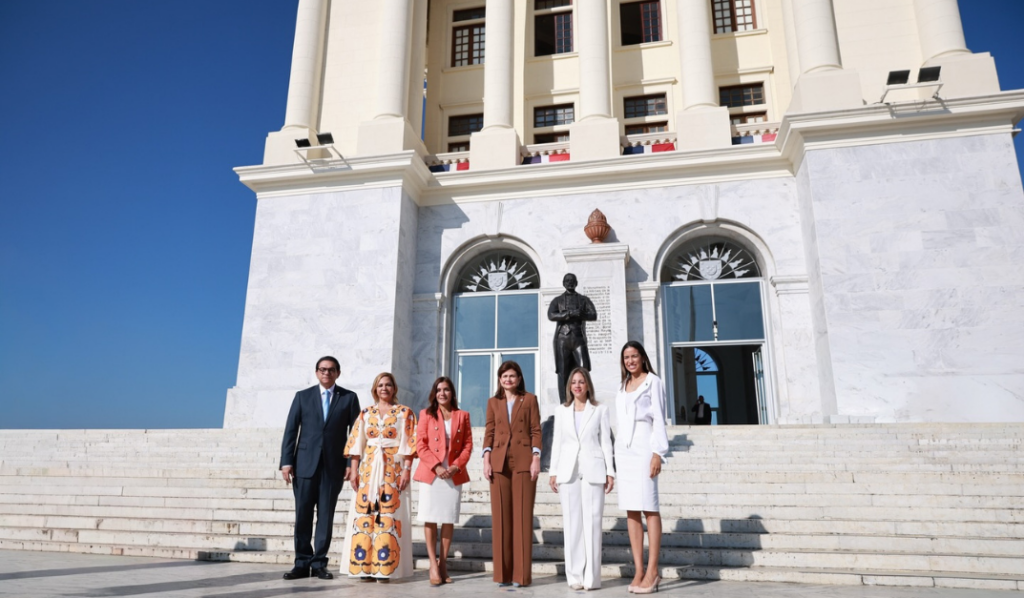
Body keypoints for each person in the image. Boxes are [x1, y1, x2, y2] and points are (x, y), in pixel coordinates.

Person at [279, 356, 362, 580]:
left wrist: (350, 464)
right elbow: (290, 430)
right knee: (303, 515)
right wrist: (286, 461)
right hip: (304, 465)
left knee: (325, 516)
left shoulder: (349, 398)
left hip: (333, 467)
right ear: (316, 372)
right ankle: (301, 563)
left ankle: (319, 564)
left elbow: (355, 436)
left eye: (331, 370)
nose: (327, 373)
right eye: (323, 369)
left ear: (338, 373)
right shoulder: (302, 396)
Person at [340, 373, 417, 582]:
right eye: (380, 385)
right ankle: (364, 567)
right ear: (375, 389)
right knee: (366, 515)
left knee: (388, 516)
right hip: (368, 470)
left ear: (394, 388)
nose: (384, 388)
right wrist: (354, 470)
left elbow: (410, 445)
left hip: (394, 470)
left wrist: (407, 470)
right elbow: (357, 444)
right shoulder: (366, 413)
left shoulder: (405, 413)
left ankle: (385, 568)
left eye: (388, 385)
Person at [549, 367, 615, 591]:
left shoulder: (600, 410)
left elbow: (606, 442)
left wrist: (610, 471)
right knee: (572, 525)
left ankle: (592, 578)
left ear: (588, 385)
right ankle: (574, 576)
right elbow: (557, 442)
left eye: (581, 381)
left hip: (593, 471)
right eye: (574, 382)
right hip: (568, 473)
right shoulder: (561, 411)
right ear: (569, 386)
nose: (577, 385)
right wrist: (553, 471)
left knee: (593, 524)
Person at [615, 341, 669, 594]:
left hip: (646, 447)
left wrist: (658, 453)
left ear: (643, 357)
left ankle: (653, 571)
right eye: (626, 357)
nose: (630, 360)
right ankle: (638, 569)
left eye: (634, 355)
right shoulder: (621, 387)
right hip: (625, 453)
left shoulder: (653, 382)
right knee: (631, 510)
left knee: (650, 507)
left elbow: (659, 417)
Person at [482, 361, 542, 587]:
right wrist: (486, 460)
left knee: (523, 518)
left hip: (524, 461)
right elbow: (489, 432)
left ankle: (521, 576)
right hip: (498, 463)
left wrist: (536, 457)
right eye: (504, 376)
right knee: (500, 519)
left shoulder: (529, 399)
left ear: (519, 379)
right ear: (499, 379)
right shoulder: (492, 402)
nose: (508, 380)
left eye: (512, 376)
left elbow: (536, 429)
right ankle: (503, 575)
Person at [414, 376, 473, 586]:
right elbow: (420, 444)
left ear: (452, 393)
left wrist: (456, 465)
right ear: (434, 393)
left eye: (446, 389)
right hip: (432, 473)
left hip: (453, 473)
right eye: (438, 389)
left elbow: (467, 445)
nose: (442, 393)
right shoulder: (425, 414)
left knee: (448, 518)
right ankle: (432, 563)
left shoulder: (463, 415)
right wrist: (436, 466)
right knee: (430, 518)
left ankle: (443, 563)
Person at [548, 273, 598, 403]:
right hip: (562, 339)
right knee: (563, 372)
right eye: (567, 281)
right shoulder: (557, 300)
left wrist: (581, 314)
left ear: (576, 283)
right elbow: (551, 315)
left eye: (572, 281)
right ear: (564, 283)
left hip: (578, 338)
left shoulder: (584, 299)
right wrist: (568, 314)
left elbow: (593, 315)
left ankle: (586, 401)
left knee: (584, 369)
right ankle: (564, 403)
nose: (569, 283)